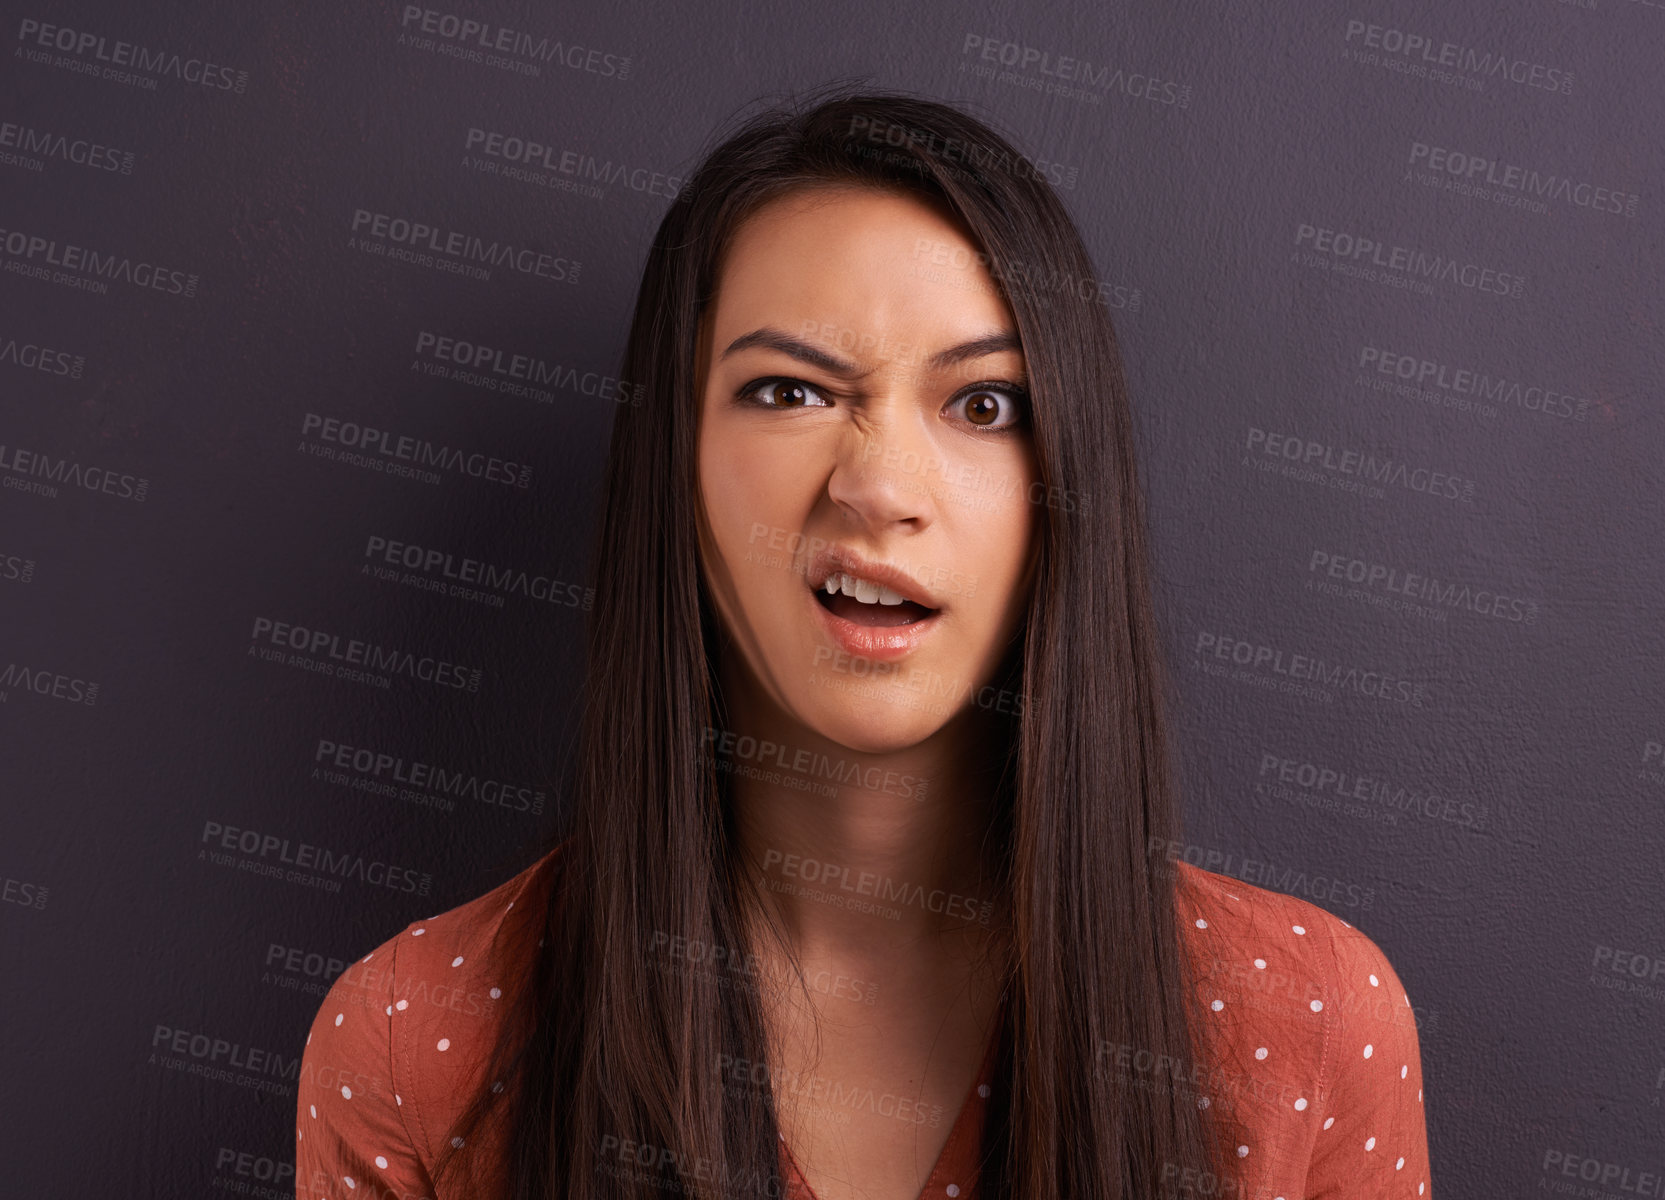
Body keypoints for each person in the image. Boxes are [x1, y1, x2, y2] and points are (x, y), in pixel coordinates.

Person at [295, 85, 1432, 1200]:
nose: (880, 486)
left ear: (1064, 484)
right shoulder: (414, 1051)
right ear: (674, 470)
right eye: (789, 391)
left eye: (983, 405)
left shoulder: (1311, 1029)